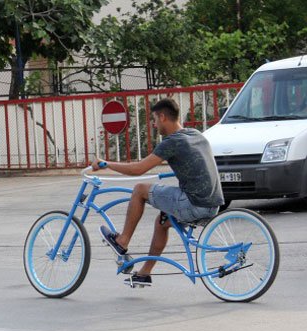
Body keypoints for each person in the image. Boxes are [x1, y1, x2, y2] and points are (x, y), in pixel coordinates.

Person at [93, 98, 224, 287]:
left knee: (139, 190)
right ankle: (144, 273)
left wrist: (106, 164)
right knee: (162, 221)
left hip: (194, 203)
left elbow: (138, 169)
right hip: (213, 204)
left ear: (163, 117)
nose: (154, 125)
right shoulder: (195, 134)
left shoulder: (172, 142)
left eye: (154, 119)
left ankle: (122, 241)